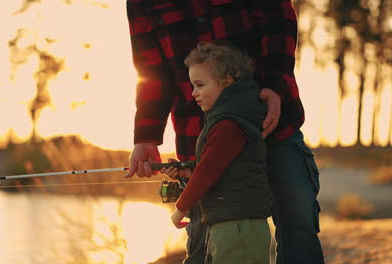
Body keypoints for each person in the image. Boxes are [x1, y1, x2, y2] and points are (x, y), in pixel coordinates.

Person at [125, 1, 325, 263]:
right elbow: (151, 70)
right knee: (202, 243)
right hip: (196, 134)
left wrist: (275, 86)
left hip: (269, 121)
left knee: (297, 217)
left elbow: (278, 20)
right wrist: (146, 136)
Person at [163, 42, 272, 264]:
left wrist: (180, 207)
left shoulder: (228, 125)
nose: (193, 93)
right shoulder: (226, 119)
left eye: (200, 85)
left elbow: (208, 171)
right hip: (233, 224)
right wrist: (186, 173)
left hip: (237, 226)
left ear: (226, 82)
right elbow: (221, 168)